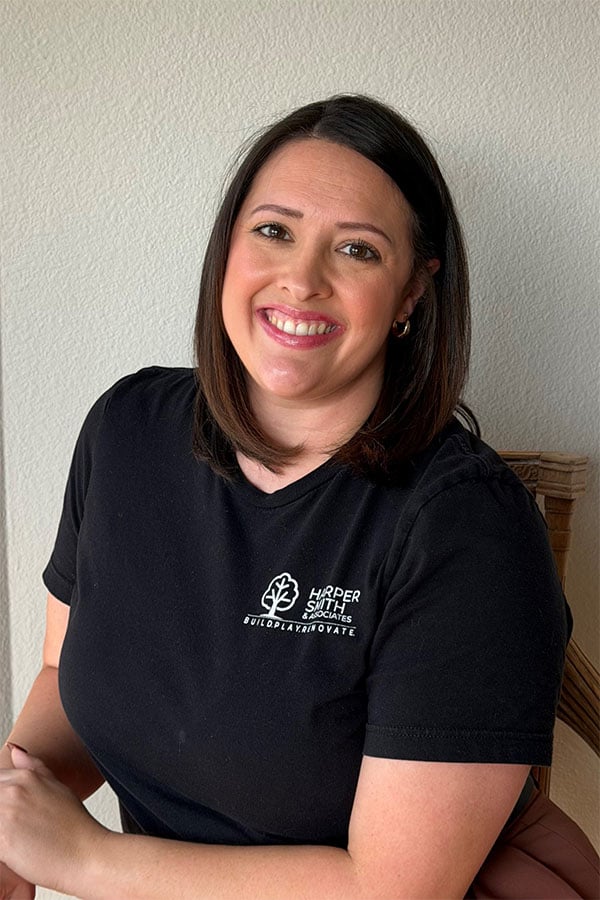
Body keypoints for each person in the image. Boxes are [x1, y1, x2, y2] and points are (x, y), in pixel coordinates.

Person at [0, 95, 598, 899]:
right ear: (228, 247)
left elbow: (395, 889)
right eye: (274, 230)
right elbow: (62, 671)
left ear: (413, 295)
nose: (302, 280)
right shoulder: (127, 431)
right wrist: (13, 818)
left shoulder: (466, 526)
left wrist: (80, 858)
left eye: (357, 250)